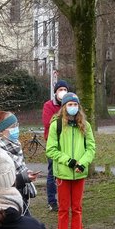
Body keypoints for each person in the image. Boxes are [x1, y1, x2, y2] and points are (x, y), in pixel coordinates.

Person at [46, 92, 95, 229]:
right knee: (63, 208)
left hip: (79, 173)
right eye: (69, 104)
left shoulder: (85, 125)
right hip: (63, 173)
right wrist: (69, 161)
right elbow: (51, 150)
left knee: (77, 207)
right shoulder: (57, 125)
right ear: (64, 107)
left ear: (78, 106)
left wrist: (83, 162)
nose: (73, 107)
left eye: (75, 104)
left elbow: (91, 148)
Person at [0, 111, 39, 216]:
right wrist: (23, 178)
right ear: (1, 131)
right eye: (13, 126)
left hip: (20, 196)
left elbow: (20, 167)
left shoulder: (15, 145)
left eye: (17, 125)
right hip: (3, 202)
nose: (17, 128)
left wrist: (26, 174)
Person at [42, 79, 70, 212]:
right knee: (52, 172)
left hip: (67, 142)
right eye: (60, 90)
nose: (63, 92)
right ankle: (52, 201)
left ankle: (65, 199)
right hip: (53, 142)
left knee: (65, 171)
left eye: (65, 90)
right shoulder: (48, 105)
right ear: (55, 92)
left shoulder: (70, 104)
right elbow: (48, 122)